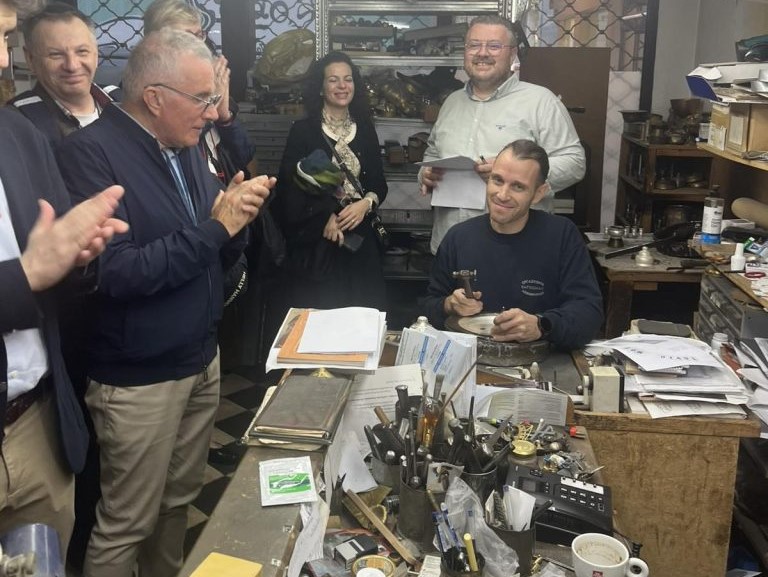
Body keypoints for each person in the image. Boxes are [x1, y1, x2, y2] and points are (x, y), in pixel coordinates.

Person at [55, 29, 274, 577]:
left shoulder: (186, 145)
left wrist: (236, 220)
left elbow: (209, 245)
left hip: (199, 358)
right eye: (201, 99)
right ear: (154, 98)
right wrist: (217, 229)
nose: (211, 113)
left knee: (177, 505)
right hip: (139, 377)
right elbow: (116, 272)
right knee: (126, 522)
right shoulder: (89, 154)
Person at [0, 0, 128, 557]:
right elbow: (31, 270)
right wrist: (27, 275)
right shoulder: (32, 119)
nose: (1, 59)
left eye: (4, 38)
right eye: (54, 55)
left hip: (36, 421)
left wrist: (78, 259)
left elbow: (57, 255)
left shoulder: (14, 134)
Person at [419, 14, 586, 254]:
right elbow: (433, 153)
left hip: (517, 252)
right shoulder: (451, 102)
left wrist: (513, 173)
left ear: (513, 53)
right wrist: (425, 174)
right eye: (474, 45)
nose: (482, 53)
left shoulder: (541, 102)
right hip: (450, 246)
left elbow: (575, 163)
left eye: (494, 46)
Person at [423, 140, 603, 351]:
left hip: (540, 360)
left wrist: (541, 325)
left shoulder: (562, 235)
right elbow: (428, 308)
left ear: (538, 193)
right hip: (471, 358)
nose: (502, 195)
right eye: (497, 180)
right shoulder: (458, 237)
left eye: (518, 186)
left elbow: (589, 314)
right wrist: (448, 305)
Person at [272, 51, 387, 310]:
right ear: (321, 87)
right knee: (321, 314)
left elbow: (378, 182)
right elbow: (288, 186)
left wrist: (365, 204)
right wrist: (325, 217)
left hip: (360, 239)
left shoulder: (365, 129)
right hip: (320, 239)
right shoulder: (303, 131)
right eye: (333, 80)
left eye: (348, 79)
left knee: (363, 312)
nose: (342, 86)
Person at [8, 2, 117, 145]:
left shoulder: (122, 101)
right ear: (30, 59)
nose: (72, 66)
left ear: (96, 55)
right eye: (56, 55)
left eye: (82, 51)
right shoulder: (16, 125)